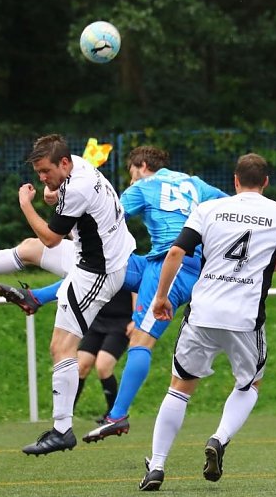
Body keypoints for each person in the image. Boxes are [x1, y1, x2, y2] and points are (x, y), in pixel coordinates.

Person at [138, 153, 276, 492]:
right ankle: (219, 439)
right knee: (249, 385)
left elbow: (176, 253)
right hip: (245, 318)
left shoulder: (209, 209)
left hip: (203, 311)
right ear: (265, 182)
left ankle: (158, 465)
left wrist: (161, 297)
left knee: (180, 386)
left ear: (235, 181)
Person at [81, 145, 228, 443]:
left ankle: (118, 415)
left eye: (131, 173)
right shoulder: (195, 183)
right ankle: (40, 297)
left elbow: (109, 216)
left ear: (142, 165)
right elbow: (230, 207)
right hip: (159, 262)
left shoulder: (144, 186)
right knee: (98, 270)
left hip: (172, 267)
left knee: (141, 339)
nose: (130, 179)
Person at [10, 134, 135, 455]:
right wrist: (53, 192)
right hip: (96, 262)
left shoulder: (76, 187)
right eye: (38, 173)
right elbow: (63, 201)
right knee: (61, 348)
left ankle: (63, 430)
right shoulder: (79, 165)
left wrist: (26, 205)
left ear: (63, 162)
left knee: (63, 347)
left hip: (98, 271)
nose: (41, 178)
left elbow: (52, 238)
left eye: (45, 171)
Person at [73, 288, 135, 423]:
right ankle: (66, 413)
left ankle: (114, 415)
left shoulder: (128, 267)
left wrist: (136, 318)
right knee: (80, 366)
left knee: (103, 366)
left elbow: (135, 289)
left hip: (122, 323)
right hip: (97, 320)